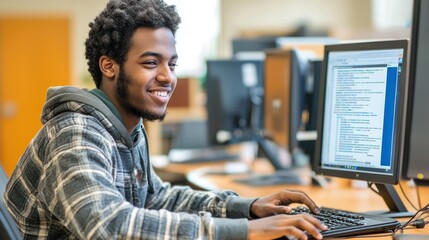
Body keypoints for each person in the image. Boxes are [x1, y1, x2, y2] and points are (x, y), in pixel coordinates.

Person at [3, 0, 327, 239]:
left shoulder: (127, 127)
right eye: (150, 62)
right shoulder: (75, 131)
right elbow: (109, 227)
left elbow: (157, 198)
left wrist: (248, 208)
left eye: (171, 64)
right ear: (109, 66)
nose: (167, 77)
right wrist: (245, 231)